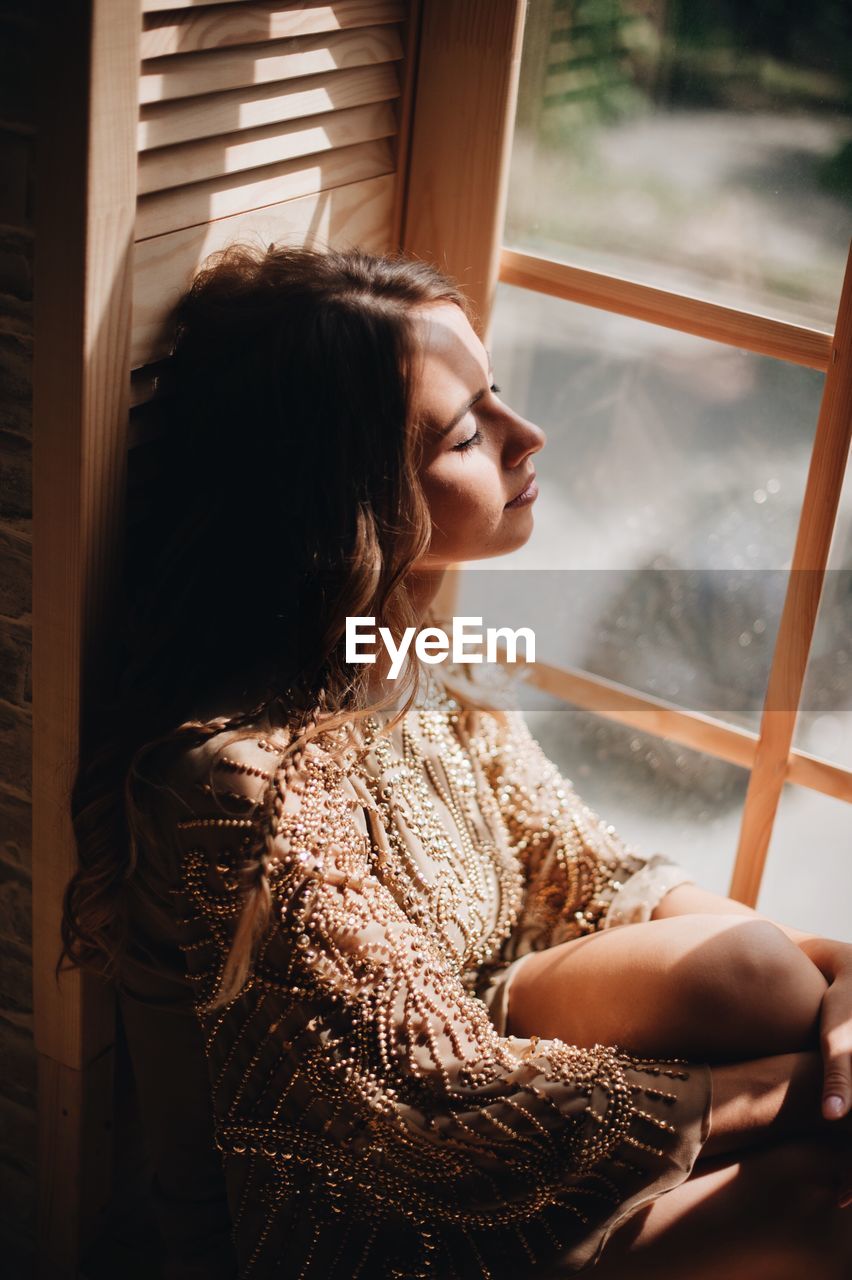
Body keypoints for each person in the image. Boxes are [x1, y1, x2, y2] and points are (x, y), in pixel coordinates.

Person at [58, 245, 852, 1278]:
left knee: (751, 968)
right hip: (357, 1216)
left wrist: (836, 966)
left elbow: (591, 872)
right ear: (340, 498)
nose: (530, 438)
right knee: (814, 1197)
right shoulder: (236, 787)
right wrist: (805, 1092)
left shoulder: (406, 654)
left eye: (500, 397)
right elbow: (442, 1129)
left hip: (486, 1079)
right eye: (471, 432)